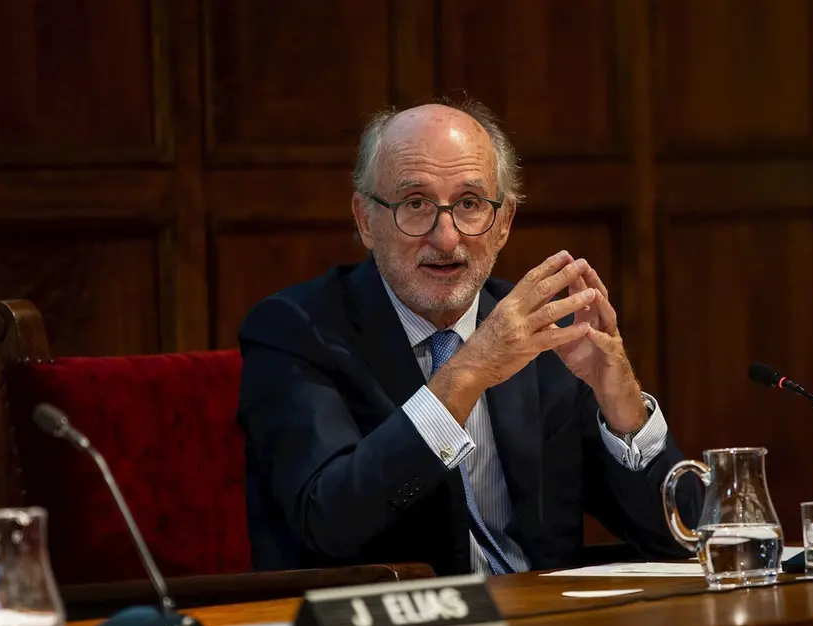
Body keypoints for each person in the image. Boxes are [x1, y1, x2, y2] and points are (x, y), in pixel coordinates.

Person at [237, 98, 700, 576]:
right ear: (365, 220)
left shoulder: (543, 336)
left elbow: (683, 537)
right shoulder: (294, 330)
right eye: (415, 204)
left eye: (470, 204)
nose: (446, 237)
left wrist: (622, 406)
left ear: (503, 224)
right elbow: (329, 520)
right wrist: (469, 371)